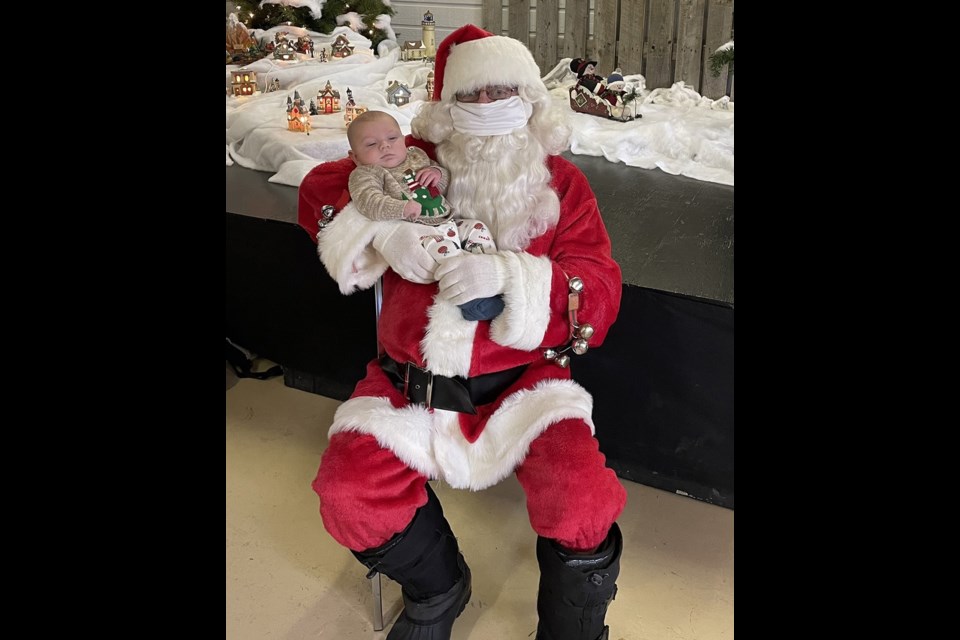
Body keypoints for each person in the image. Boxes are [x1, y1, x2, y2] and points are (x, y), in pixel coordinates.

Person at [304, 24, 626, 640]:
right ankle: (439, 588)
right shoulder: (406, 160)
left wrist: (514, 279)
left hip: (525, 387)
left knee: (582, 501)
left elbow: (600, 290)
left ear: (530, 100)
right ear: (446, 105)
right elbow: (322, 185)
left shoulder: (564, 186)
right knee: (348, 495)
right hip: (409, 386)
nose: (487, 106)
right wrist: (381, 231)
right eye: (471, 96)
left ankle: (571, 628)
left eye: (502, 92)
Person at [346, 109, 504, 321]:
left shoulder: (416, 156)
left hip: (447, 220)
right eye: (371, 144)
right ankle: (470, 300)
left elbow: (444, 182)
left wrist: (437, 175)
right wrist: (400, 208)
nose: (385, 146)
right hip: (419, 233)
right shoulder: (366, 173)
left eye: (392, 138)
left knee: (477, 228)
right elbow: (368, 201)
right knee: (446, 253)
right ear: (355, 157)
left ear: (402, 139)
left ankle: (490, 277)